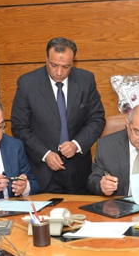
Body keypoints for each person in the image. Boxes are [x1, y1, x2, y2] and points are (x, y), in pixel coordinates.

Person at [11, 37, 105, 194]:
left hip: (78, 171)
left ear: (73, 62)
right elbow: (20, 127)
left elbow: (97, 119)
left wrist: (76, 144)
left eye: (66, 67)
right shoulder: (27, 83)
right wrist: (45, 154)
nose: (59, 72)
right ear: (46, 58)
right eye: (54, 65)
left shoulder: (86, 80)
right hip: (42, 171)